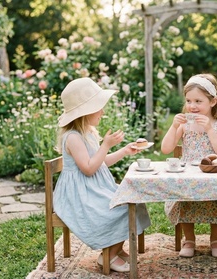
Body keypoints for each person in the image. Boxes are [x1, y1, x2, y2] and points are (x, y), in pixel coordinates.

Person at [53, 78, 151, 273]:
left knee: (133, 202)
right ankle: (108, 256)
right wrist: (106, 145)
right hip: (80, 195)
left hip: (94, 188)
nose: (102, 112)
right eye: (99, 108)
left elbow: (100, 162)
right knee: (121, 210)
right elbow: (89, 168)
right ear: (85, 112)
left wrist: (124, 151)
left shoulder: (88, 133)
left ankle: (116, 248)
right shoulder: (72, 137)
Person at [161, 73, 217, 258]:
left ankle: (216, 239)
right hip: (189, 174)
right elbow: (166, 148)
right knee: (185, 195)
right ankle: (189, 239)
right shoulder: (185, 125)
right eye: (188, 101)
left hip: (213, 173)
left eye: (198, 101)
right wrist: (173, 127)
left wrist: (209, 128)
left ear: (212, 102)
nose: (192, 106)